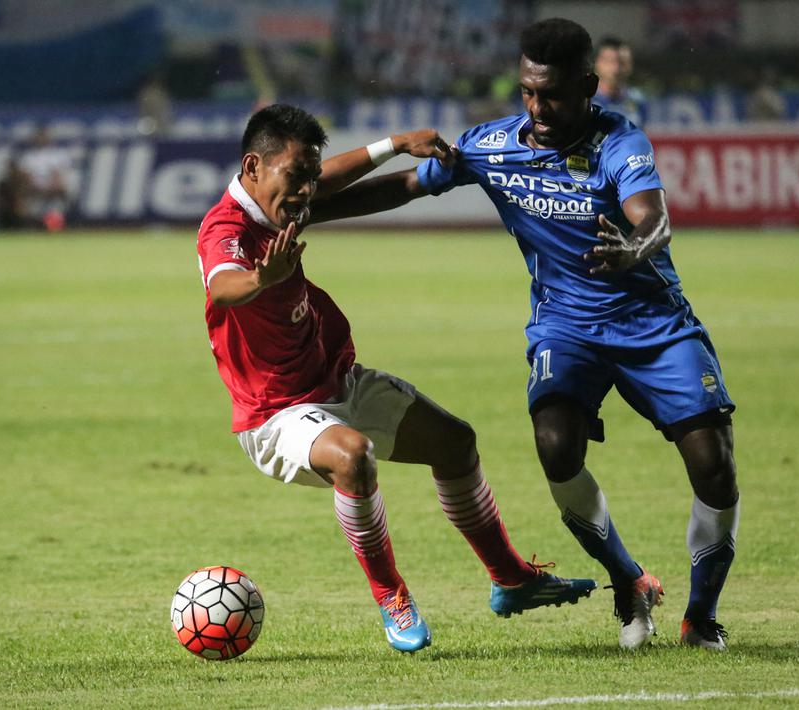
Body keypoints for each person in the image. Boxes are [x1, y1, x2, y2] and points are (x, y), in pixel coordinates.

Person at [310, 19, 740, 651]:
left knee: (713, 464)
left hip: (654, 325)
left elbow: (654, 218)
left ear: (589, 86)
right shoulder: (494, 144)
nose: (538, 108)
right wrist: (310, 208)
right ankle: (627, 580)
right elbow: (406, 185)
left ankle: (699, 617)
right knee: (555, 445)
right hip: (566, 327)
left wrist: (634, 247)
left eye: (554, 95)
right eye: (528, 92)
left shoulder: (620, 141)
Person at [197, 104, 596, 654]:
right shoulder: (227, 227)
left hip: (337, 382)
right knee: (353, 457)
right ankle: (392, 597)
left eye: (310, 178)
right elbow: (222, 286)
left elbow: (348, 187)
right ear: (252, 168)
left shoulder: (284, 200)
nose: (308, 192)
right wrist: (264, 278)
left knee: (456, 444)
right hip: (275, 414)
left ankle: (512, 579)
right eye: (296, 177)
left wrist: (399, 147)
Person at [592, 36, 646, 127]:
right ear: (597, 63)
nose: (616, 68)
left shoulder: (638, 100)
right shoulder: (584, 101)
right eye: (609, 61)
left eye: (622, 62)